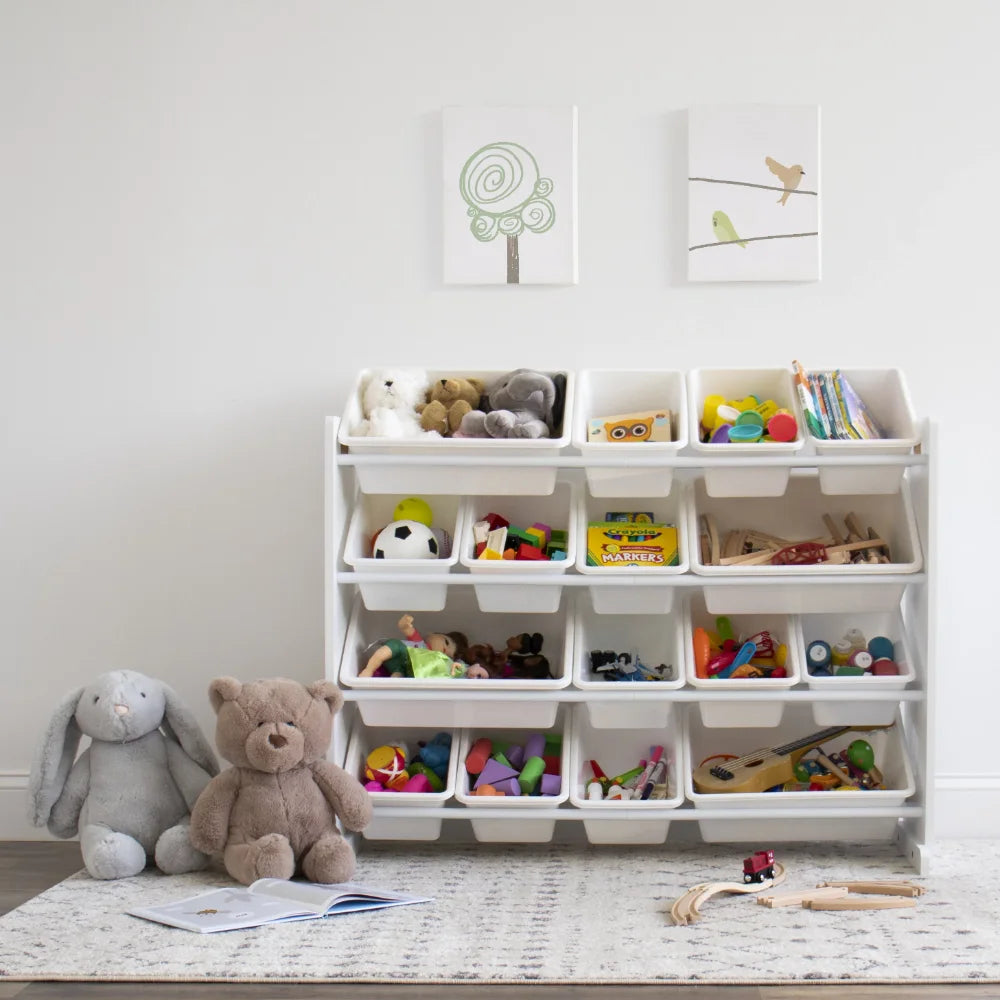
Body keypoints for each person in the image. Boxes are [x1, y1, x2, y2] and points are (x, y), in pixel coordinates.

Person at [359, 615, 489, 679]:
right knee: (390, 648)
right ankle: (369, 670)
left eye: (448, 655)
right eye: (446, 643)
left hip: (404, 668)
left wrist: (473, 670)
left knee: (398, 676)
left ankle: (389, 685)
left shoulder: (432, 664)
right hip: (399, 651)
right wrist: (405, 624)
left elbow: (461, 669)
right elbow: (407, 630)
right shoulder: (420, 644)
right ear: (433, 635)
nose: (444, 650)